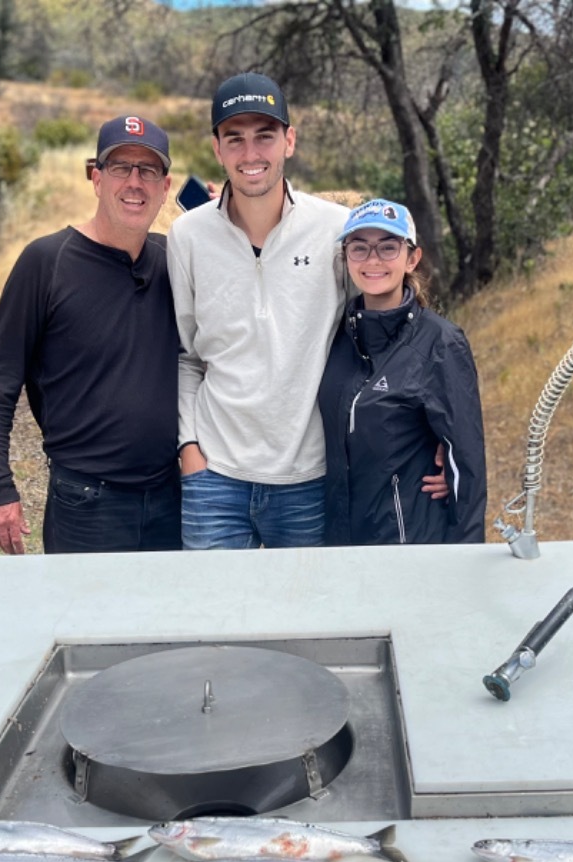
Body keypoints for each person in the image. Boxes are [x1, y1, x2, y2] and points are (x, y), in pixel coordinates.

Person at [164, 73, 358, 549]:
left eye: (265, 136)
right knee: (217, 620)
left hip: (308, 474)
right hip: (214, 477)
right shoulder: (187, 236)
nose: (251, 154)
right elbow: (187, 356)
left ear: (289, 141)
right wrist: (189, 450)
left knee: (305, 621)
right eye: (235, 138)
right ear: (217, 149)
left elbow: (376, 337)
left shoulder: (335, 230)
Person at [0, 115, 182, 554]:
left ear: (166, 187)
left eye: (149, 170)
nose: (135, 182)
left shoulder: (175, 260)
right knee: (85, 623)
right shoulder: (47, 262)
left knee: (167, 623)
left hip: (172, 498)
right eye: (121, 167)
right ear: (96, 178)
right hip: (86, 502)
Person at [317, 199, 487, 545]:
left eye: (388, 247)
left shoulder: (441, 343)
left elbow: (466, 468)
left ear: (412, 258)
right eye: (359, 248)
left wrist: (467, 564)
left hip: (409, 543)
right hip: (341, 542)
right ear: (346, 257)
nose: (373, 259)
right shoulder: (337, 335)